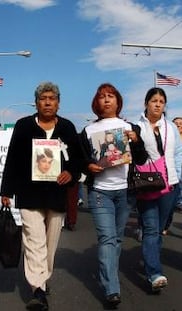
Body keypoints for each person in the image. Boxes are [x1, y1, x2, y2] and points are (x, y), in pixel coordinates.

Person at [0, 82, 81, 311]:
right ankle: (37, 289)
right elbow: (13, 159)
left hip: (57, 196)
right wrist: (6, 190)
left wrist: (70, 173)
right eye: (43, 98)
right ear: (36, 102)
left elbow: (78, 160)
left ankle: (42, 280)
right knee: (34, 241)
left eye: (52, 98)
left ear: (58, 102)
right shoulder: (24, 126)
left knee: (50, 244)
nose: (47, 102)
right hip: (29, 194)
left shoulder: (67, 127)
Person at [79, 83, 148, 308]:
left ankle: (107, 273)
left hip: (125, 192)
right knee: (107, 239)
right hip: (100, 191)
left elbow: (141, 159)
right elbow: (81, 160)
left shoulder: (130, 127)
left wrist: (136, 142)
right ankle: (112, 288)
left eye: (110, 96)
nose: (106, 100)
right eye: (102, 97)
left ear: (118, 101)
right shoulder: (88, 130)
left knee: (117, 238)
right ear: (96, 103)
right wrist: (89, 165)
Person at [135, 87, 182, 292]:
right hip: (147, 184)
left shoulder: (170, 127)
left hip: (170, 184)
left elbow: (179, 153)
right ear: (146, 103)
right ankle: (154, 273)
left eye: (161, 101)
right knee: (151, 228)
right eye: (153, 100)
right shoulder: (137, 127)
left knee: (160, 229)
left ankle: (151, 259)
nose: (157, 104)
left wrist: (178, 176)